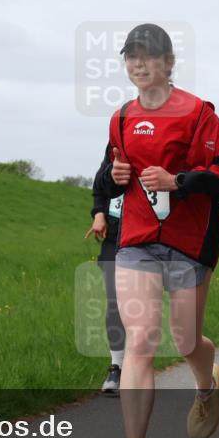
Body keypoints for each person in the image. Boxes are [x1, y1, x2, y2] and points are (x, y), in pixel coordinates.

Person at [100, 24, 219, 438]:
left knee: (184, 341)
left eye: (147, 57)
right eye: (131, 58)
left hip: (189, 240)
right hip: (137, 237)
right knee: (141, 340)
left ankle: (207, 385)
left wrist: (181, 180)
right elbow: (112, 173)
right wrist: (117, 174)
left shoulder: (198, 113)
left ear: (167, 62)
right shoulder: (121, 117)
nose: (138, 65)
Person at [86, 156, 127, 395]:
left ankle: (140, 364)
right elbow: (100, 184)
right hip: (115, 235)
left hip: (149, 235)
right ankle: (116, 367)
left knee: (143, 305)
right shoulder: (118, 137)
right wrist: (99, 214)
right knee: (115, 303)